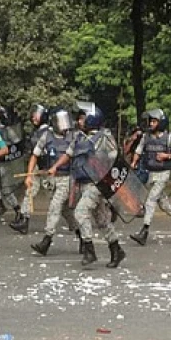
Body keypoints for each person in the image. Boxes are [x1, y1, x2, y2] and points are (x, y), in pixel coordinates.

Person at [48, 105, 127, 268]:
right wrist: (55, 167)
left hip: (96, 183)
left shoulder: (104, 137)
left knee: (81, 212)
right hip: (83, 183)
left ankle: (89, 250)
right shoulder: (78, 137)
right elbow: (68, 155)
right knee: (102, 220)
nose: (79, 120)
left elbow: (115, 159)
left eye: (83, 118)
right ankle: (116, 249)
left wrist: (108, 182)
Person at [129, 109, 171, 246]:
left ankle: (144, 231)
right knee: (164, 204)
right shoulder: (146, 137)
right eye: (151, 121)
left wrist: (166, 156)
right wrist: (133, 162)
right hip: (151, 173)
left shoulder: (169, 138)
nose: (151, 123)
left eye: (154, 121)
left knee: (150, 200)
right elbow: (138, 151)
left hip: (163, 173)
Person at [28, 108, 80, 256]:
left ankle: (46, 240)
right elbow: (35, 155)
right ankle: (81, 234)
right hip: (51, 180)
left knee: (54, 207)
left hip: (67, 177)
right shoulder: (47, 136)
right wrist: (29, 175)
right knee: (66, 211)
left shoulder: (73, 136)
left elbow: (71, 156)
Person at [10, 104, 50, 234]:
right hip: (39, 166)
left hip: (50, 169)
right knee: (30, 190)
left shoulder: (48, 132)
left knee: (58, 200)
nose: (33, 117)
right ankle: (24, 219)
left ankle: (78, 229)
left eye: (36, 114)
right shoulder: (37, 132)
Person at [0, 106, 24, 222]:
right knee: (5, 190)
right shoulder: (2, 130)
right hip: (2, 163)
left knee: (6, 191)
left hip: (4, 163)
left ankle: (3, 205)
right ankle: (14, 209)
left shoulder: (4, 130)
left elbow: (11, 147)